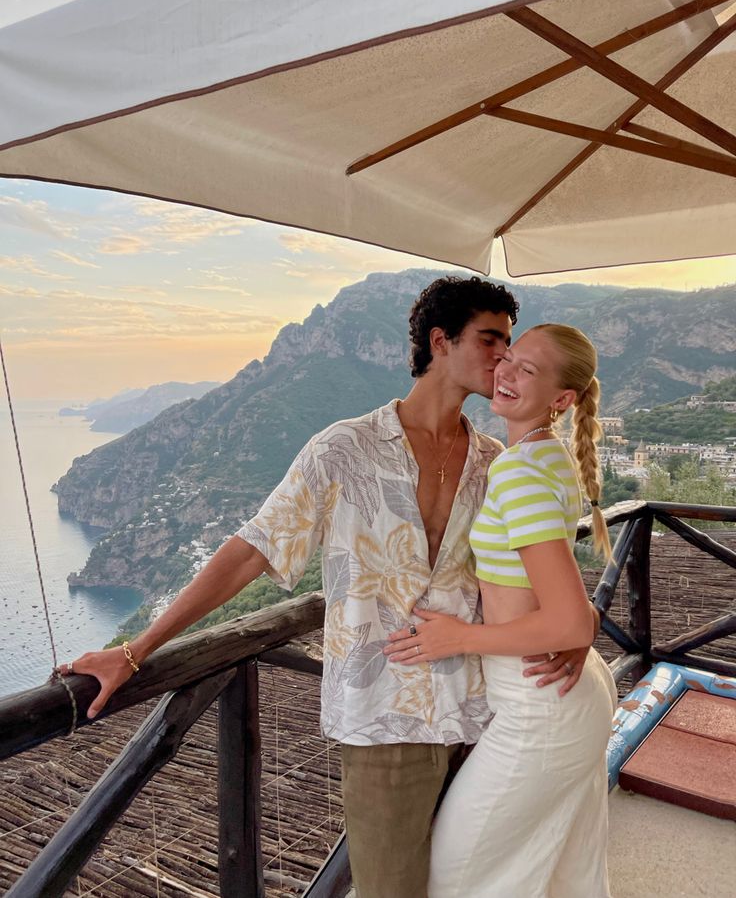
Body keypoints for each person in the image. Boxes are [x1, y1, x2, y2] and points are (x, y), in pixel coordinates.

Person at [66, 281, 591, 898]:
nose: (502, 358)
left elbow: (538, 574)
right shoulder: (345, 449)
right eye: (491, 340)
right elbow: (249, 552)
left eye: (509, 344)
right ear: (440, 342)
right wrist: (136, 649)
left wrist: (575, 634)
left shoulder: (494, 461)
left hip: (480, 714)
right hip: (383, 724)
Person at [384, 323, 616, 898]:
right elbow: (566, 608)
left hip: (540, 706)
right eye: (509, 358)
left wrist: (458, 638)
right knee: (561, 869)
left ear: (562, 400)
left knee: (455, 878)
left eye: (528, 370)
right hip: (562, 690)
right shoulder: (544, 456)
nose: (506, 372)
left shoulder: (518, 471)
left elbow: (570, 621)